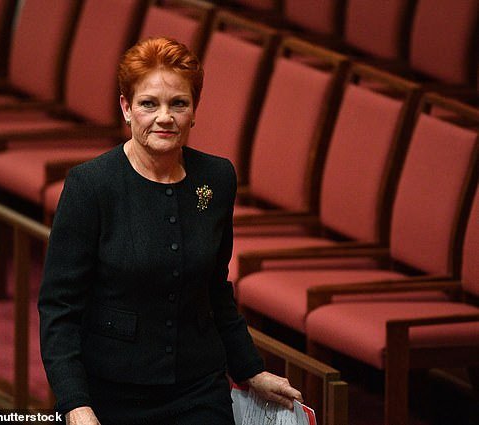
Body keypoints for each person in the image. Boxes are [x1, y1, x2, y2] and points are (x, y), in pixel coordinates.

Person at [38, 37, 302, 425]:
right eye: (149, 104)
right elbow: (59, 309)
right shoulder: (90, 186)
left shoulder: (216, 178)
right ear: (126, 108)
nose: (165, 117)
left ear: (194, 111)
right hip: (111, 392)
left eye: (178, 103)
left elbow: (214, 289)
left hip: (198, 387)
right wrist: (75, 404)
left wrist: (251, 370)